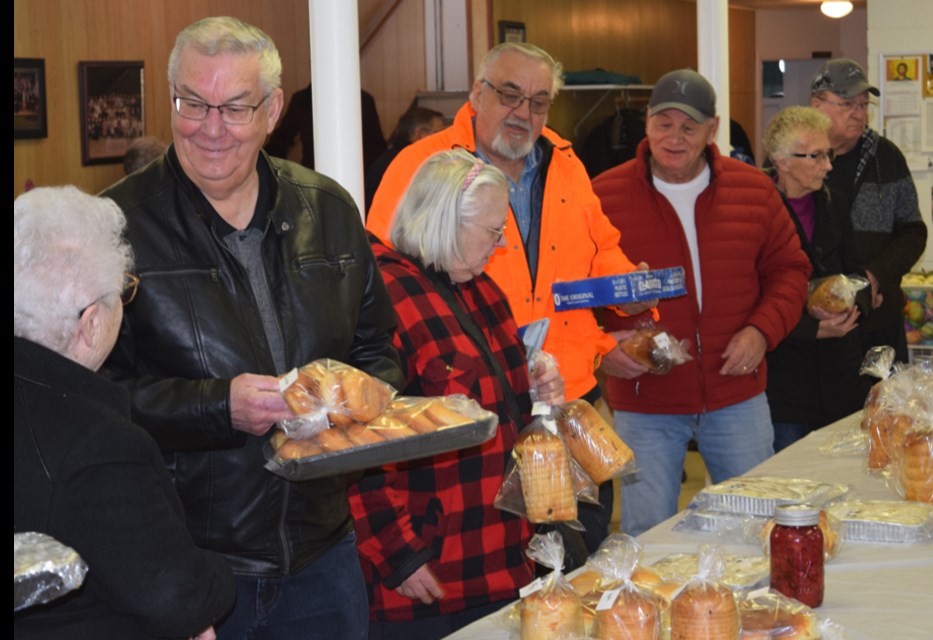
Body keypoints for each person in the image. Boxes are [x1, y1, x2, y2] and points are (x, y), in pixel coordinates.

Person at [100, 17, 403, 639]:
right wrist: (218, 407)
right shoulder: (115, 227)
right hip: (188, 564)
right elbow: (96, 398)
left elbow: (379, 351)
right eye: (192, 104)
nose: (211, 129)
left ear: (271, 112)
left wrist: (348, 404)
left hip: (323, 553)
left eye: (235, 108)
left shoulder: (331, 210)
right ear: (171, 99)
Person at [366, 42, 649, 554]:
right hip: (473, 406)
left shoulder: (566, 164)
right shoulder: (422, 165)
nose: (524, 112)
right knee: (498, 553)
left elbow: (600, 250)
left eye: (539, 102)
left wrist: (633, 291)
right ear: (477, 93)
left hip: (567, 395)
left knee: (580, 548)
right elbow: (383, 280)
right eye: (510, 94)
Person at [349, 149, 564, 639]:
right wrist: (398, 555)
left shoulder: (486, 292)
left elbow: (510, 409)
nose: (502, 241)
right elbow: (356, 446)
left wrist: (540, 391)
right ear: (446, 221)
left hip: (498, 560)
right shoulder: (383, 299)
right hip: (428, 578)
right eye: (492, 230)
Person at [591, 69, 811, 535]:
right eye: (664, 123)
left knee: (757, 528)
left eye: (689, 127)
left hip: (737, 394)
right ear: (647, 122)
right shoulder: (602, 195)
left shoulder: (753, 190)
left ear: (713, 130)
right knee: (647, 533)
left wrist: (762, 330)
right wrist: (602, 346)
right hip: (644, 402)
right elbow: (572, 292)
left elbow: (791, 272)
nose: (674, 137)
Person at [14, 186, 235, 639]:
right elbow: (177, 595)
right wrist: (222, 576)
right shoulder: (97, 443)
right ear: (91, 322)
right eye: (123, 293)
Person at [762, 106, 871, 451]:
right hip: (786, 382)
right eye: (817, 156)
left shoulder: (834, 202)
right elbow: (752, 294)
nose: (827, 165)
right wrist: (811, 329)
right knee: (787, 489)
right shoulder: (758, 209)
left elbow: (857, 270)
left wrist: (854, 308)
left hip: (841, 376)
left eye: (829, 154)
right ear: (781, 160)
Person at [810, 58, 927, 363]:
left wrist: (873, 278)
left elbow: (912, 231)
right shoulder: (796, 159)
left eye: (864, 104)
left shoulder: (886, 157)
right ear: (816, 105)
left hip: (879, 322)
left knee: (886, 409)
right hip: (818, 328)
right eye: (848, 103)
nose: (859, 113)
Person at [264, 84, 387, 171]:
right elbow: (280, 142)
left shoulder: (362, 100)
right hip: (313, 176)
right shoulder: (302, 100)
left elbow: (376, 150)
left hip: (353, 177)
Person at [364, 105, 445, 208]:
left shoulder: (389, 159)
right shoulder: (410, 164)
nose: (443, 140)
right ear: (420, 134)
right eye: (439, 134)